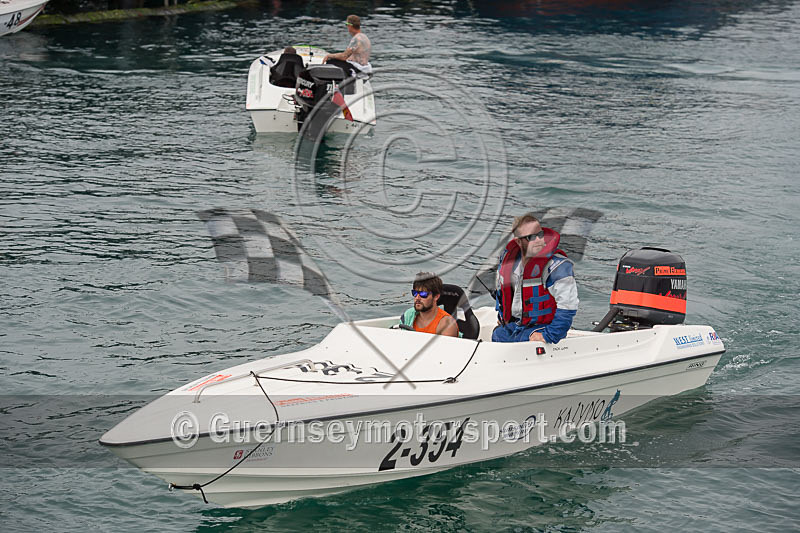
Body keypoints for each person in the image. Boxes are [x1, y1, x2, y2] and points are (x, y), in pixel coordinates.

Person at [492, 214, 578, 344]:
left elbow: (568, 307)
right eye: (531, 237)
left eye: (540, 234)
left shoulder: (557, 266)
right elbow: (502, 294)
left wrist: (549, 335)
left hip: (543, 328)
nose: (538, 240)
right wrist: (503, 317)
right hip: (517, 325)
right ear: (518, 241)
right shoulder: (508, 263)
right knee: (497, 335)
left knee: (526, 343)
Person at [399, 272, 459, 337]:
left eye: (423, 294)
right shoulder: (408, 316)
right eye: (415, 293)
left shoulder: (447, 325)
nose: (417, 298)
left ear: (436, 296)